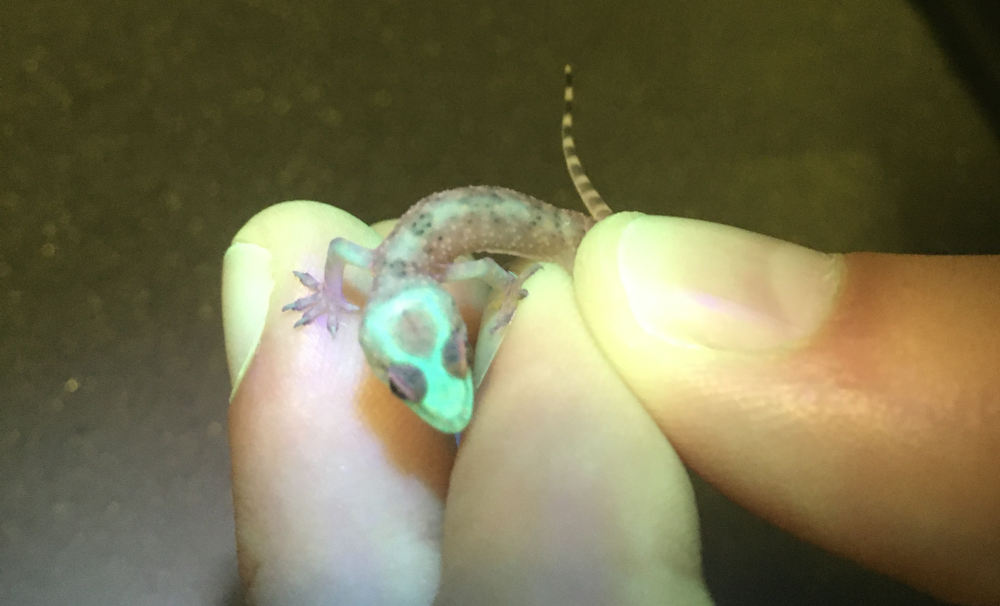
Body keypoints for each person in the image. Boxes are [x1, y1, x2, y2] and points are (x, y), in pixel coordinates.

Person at [221, 201, 1000, 605]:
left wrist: (496, 293)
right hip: (478, 242)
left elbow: (476, 273)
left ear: (432, 312)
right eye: (410, 384)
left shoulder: (403, 274)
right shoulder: (391, 276)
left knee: (569, 257)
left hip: (504, 231)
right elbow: (369, 258)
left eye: (452, 357)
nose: (448, 397)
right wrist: (492, 295)